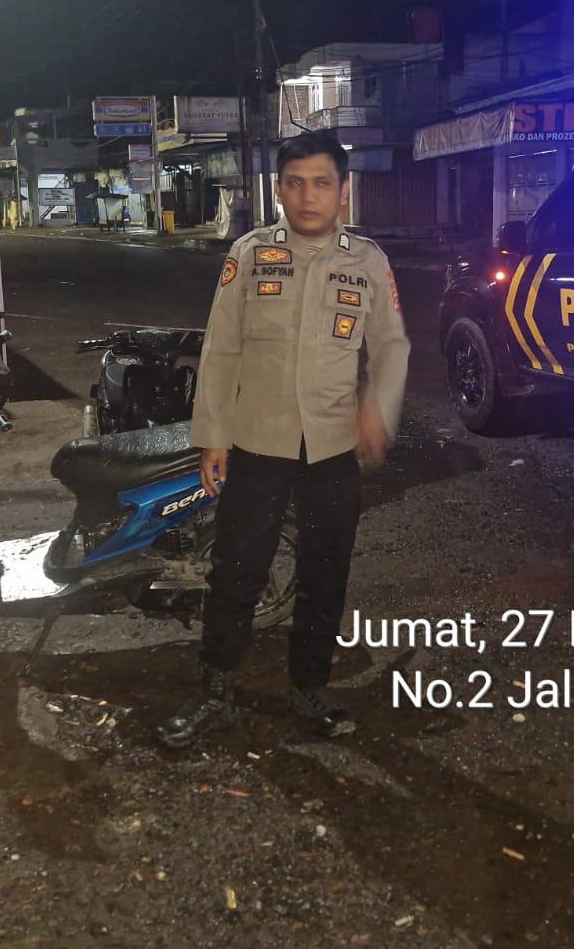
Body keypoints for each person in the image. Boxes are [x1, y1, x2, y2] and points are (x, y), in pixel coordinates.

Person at [156, 130, 409, 747]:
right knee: (236, 571)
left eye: (322, 183)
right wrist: (213, 437)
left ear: (343, 192)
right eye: (295, 183)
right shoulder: (250, 254)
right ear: (278, 189)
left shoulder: (368, 261)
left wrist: (376, 411)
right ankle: (215, 690)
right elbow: (221, 349)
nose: (308, 196)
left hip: (332, 446)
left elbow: (391, 345)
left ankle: (310, 686)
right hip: (258, 441)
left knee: (326, 572)